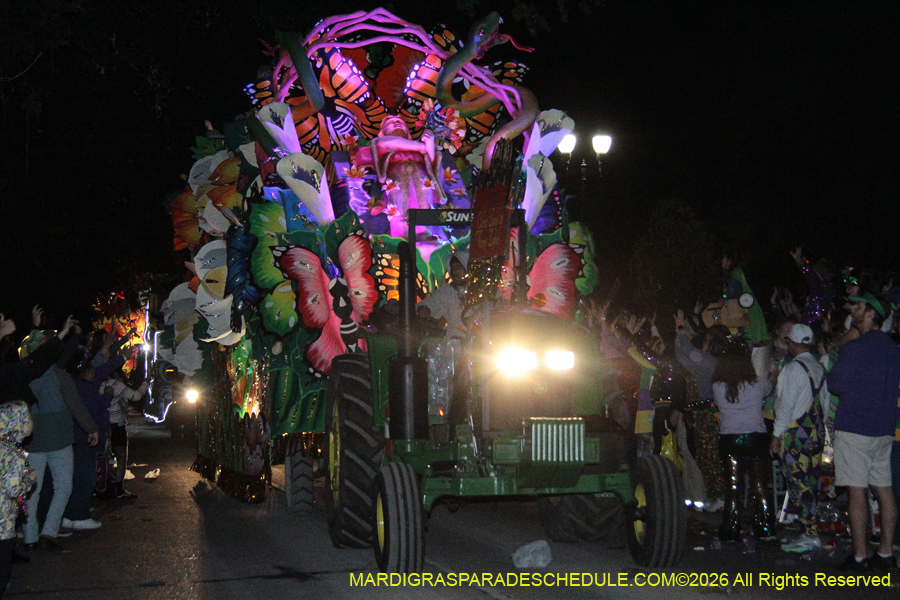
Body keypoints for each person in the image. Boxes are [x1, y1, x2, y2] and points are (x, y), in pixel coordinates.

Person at [827, 293, 899, 570]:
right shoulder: (894, 349)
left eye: (858, 307)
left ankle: (859, 556)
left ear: (871, 315)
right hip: (882, 429)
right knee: (885, 490)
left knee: (857, 492)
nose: (854, 310)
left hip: (855, 427)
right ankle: (885, 553)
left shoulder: (856, 348)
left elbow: (835, 383)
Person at [22, 313, 98, 552]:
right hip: (59, 440)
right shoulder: (59, 374)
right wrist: (91, 428)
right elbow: (75, 404)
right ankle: (50, 530)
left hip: (33, 441)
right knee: (63, 486)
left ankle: (30, 535)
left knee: (32, 489)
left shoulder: (24, 373)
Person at [770, 323, 830, 553]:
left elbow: (785, 407)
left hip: (796, 435)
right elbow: (824, 404)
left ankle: (809, 534)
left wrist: (776, 436)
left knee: (798, 483)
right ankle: (810, 528)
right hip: (815, 433)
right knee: (812, 482)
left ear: (792, 343)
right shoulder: (818, 367)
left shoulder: (792, 369)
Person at [711, 342, 776, 541]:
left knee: (733, 487)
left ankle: (731, 529)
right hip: (756, 437)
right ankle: (765, 528)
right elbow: (769, 388)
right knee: (760, 485)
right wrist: (771, 372)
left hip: (730, 438)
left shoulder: (718, 386)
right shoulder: (757, 382)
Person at [350, 116, 445, 239]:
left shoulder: (422, 152)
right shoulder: (381, 143)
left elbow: (432, 166)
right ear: (383, 131)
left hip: (421, 180)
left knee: (423, 208)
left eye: (401, 122)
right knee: (400, 209)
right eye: (391, 123)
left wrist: (430, 146)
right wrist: (422, 147)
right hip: (397, 178)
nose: (397, 123)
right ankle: (403, 237)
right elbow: (377, 146)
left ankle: (424, 236)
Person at [0, 402, 36, 597]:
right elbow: (13, 489)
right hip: (2, 526)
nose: (32, 423)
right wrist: (29, 479)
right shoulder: (14, 456)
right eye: (29, 418)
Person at [102, 369, 148, 498]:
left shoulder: (95, 382)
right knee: (121, 456)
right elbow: (136, 396)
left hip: (100, 424)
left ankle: (102, 486)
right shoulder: (115, 384)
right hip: (116, 424)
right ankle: (118, 489)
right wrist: (146, 382)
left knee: (102, 457)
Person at [416, 251, 469, 339]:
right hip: (456, 342)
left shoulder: (486, 289)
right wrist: (424, 308)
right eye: (452, 268)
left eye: (458, 267)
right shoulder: (447, 291)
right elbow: (432, 302)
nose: (454, 272)